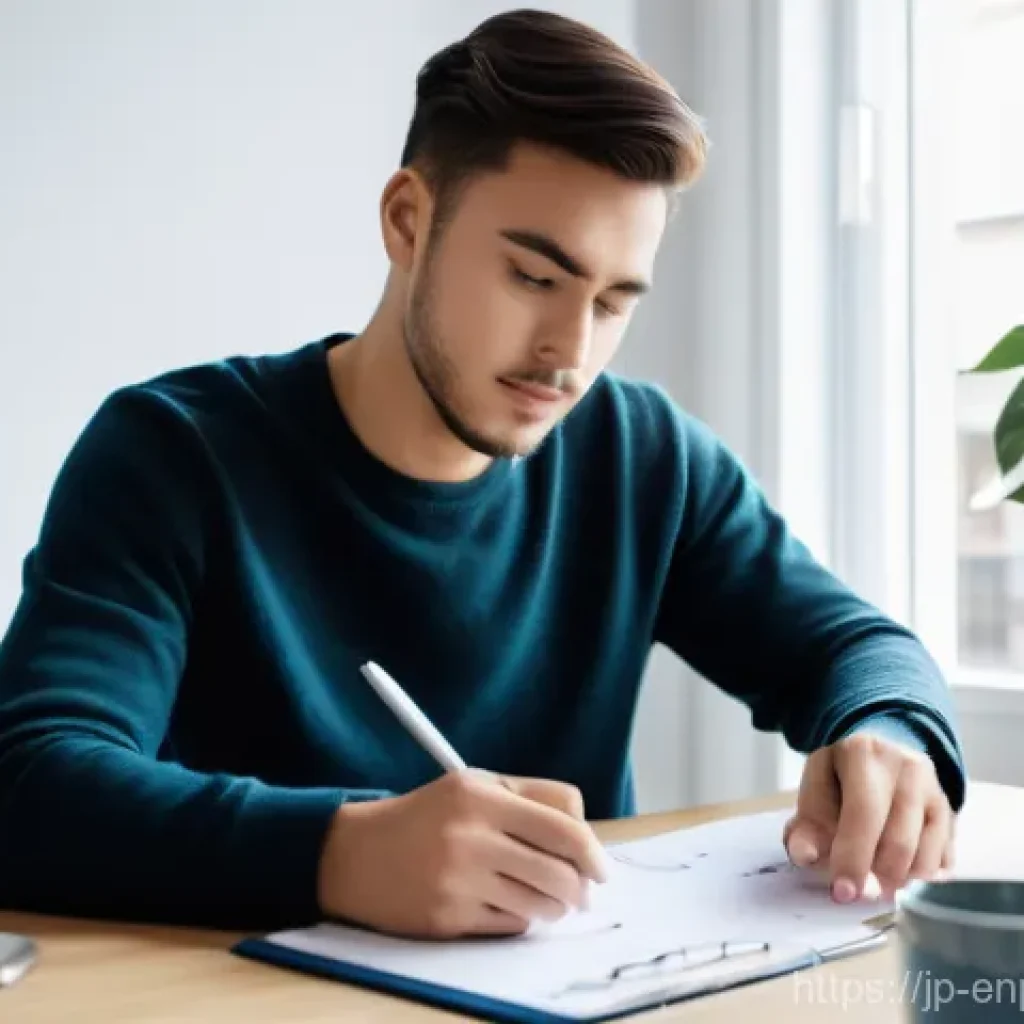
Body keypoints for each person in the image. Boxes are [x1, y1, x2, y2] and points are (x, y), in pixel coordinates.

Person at [0, 9, 965, 941]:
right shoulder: (170, 454)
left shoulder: (643, 459)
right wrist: (342, 853)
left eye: (614, 300)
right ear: (408, 220)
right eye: (535, 278)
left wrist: (889, 732)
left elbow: (859, 650)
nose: (569, 352)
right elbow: (30, 782)